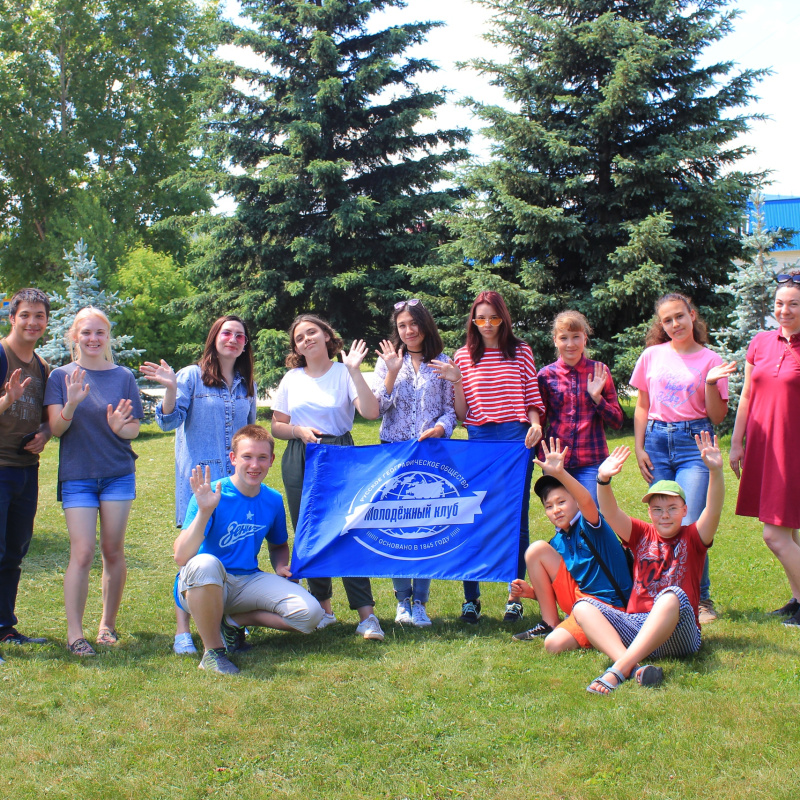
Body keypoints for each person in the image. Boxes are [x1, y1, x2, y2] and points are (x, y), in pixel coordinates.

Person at [571, 432, 724, 694]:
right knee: (582, 607)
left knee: (672, 595)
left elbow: (714, 509)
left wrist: (716, 471)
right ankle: (635, 667)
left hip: (680, 631)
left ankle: (618, 670)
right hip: (637, 625)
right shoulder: (641, 533)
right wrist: (603, 480)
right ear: (649, 512)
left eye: (672, 508)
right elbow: (610, 512)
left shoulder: (694, 536)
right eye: (658, 509)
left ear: (685, 510)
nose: (665, 515)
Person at [140, 315, 257, 655]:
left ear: (245, 345)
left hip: (234, 485)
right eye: (227, 333)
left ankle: (226, 624)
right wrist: (170, 388)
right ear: (214, 338)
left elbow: (249, 434)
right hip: (200, 483)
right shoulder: (191, 376)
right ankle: (182, 631)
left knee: (230, 549)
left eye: (240, 336)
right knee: (191, 555)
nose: (233, 339)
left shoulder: (246, 383)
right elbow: (168, 421)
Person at [431, 290, 545, 624]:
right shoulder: (463, 356)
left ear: (503, 318)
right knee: (472, 514)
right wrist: (457, 381)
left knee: (515, 518)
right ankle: (471, 599)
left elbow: (532, 395)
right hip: (479, 441)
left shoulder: (521, 351)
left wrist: (536, 424)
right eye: (480, 318)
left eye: (494, 317)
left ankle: (515, 597)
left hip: (515, 441)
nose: (487, 324)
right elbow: (462, 414)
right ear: (473, 320)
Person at [173, 425, 324, 675]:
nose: (255, 465)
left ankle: (232, 622)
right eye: (247, 457)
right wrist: (204, 511)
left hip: (247, 580)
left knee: (311, 614)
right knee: (205, 563)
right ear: (233, 458)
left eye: (262, 457)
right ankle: (213, 652)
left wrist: (280, 566)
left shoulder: (273, 499)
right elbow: (181, 556)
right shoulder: (212, 494)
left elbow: (278, 544)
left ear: (272, 460)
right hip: (205, 585)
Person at [270, 314, 384, 640]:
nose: (306, 339)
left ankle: (367, 616)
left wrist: (354, 371)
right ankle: (323, 610)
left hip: (339, 454)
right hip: (301, 454)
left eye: (312, 332)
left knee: (348, 529)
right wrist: (297, 430)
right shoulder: (292, 378)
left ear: (326, 335)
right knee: (309, 530)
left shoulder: (343, 373)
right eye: (299, 337)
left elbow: (370, 412)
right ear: (296, 347)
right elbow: (277, 425)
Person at [630, 293, 735, 624]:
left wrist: (710, 383)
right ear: (661, 325)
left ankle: (700, 599)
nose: (675, 324)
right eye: (667, 320)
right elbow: (642, 405)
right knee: (663, 520)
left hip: (695, 444)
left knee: (689, 522)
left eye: (680, 316)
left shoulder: (711, 360)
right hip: (657, 442)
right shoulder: (651, 355)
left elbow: (717, 416)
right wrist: (639, 447)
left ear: (692, 315)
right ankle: (661, 591)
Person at [45, 307, 143, 656]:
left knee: (112, 550)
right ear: (75, 336)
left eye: (100, 332)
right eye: (86, 332)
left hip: (117, 474)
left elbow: (134, 428)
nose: (93, 338)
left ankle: (107, 626)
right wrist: (71, 404)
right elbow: (57, 429)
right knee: (83, 552)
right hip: (78, 477)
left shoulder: (123, 376)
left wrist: (120, 428)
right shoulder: (60, 376)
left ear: (107, 336)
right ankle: (75, 634)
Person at [372, 299, 456, 628]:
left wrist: (441, 428)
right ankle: (401, 601)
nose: (409, 331)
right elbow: (377, 407)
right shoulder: (388, 361)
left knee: (425, 526)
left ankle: (420, 601)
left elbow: (451, 411)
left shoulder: (442, 362)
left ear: (425, 324)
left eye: (414, 323)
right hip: (393, 453)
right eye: (402, 326)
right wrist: (392, 371)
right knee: (396, 525)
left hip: (430, 453)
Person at [509, 439, 631, 650]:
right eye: (549, 506)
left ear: (575, 500)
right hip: (582, 602)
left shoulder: (591, 524)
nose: (556, 510)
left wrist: (560, 473)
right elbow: (558, 590)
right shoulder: (557, 541)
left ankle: (602, 631)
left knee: (554, 645)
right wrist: (530, 592)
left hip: (611, 607)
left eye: (562, 502)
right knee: (536, 550)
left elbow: (587, 501)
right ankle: (549, 623)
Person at [730, 272, 800, 626]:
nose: (784, 310)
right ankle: (797, 599)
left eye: (793, 304)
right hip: (763, 445)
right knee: (789, 531)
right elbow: (747, 395)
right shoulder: (759, 342)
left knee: (774, 535)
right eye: (779, 303)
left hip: (792, 449)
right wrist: (736, 442)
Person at [0, 288, 52, 660]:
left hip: (25, 471)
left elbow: (49, 420)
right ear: (12, 318)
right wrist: (8, 399)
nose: (32, 322)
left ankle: (5, 628)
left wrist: (45, 435)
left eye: (39, 316)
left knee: (13, 552)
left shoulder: (43, 367)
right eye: (25, 315)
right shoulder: (1, 355)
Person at [536, 311, 623, 505]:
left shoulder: (600, 371)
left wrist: (597, 398)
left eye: (576, 337)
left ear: (585, 338)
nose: (570, 344)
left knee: (592, 515)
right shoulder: (545, 375)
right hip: (557, 461)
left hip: (591, 461)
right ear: (555, 341)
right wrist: (544, 457)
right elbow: (539, 423)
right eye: (564, 338)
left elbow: (617, 421)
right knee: (562, 514)